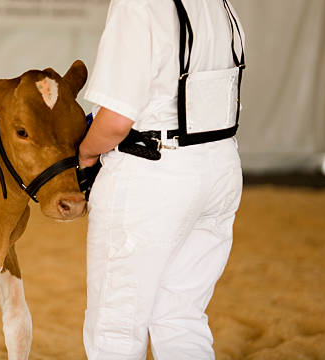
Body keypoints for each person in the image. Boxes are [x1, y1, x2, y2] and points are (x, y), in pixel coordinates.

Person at [78, 0, 245, 359]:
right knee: (180, 315)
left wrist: (86, 153)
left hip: (154, 173)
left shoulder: (137, 4)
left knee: (116, 325)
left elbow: (116, 121)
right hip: (220, 165)